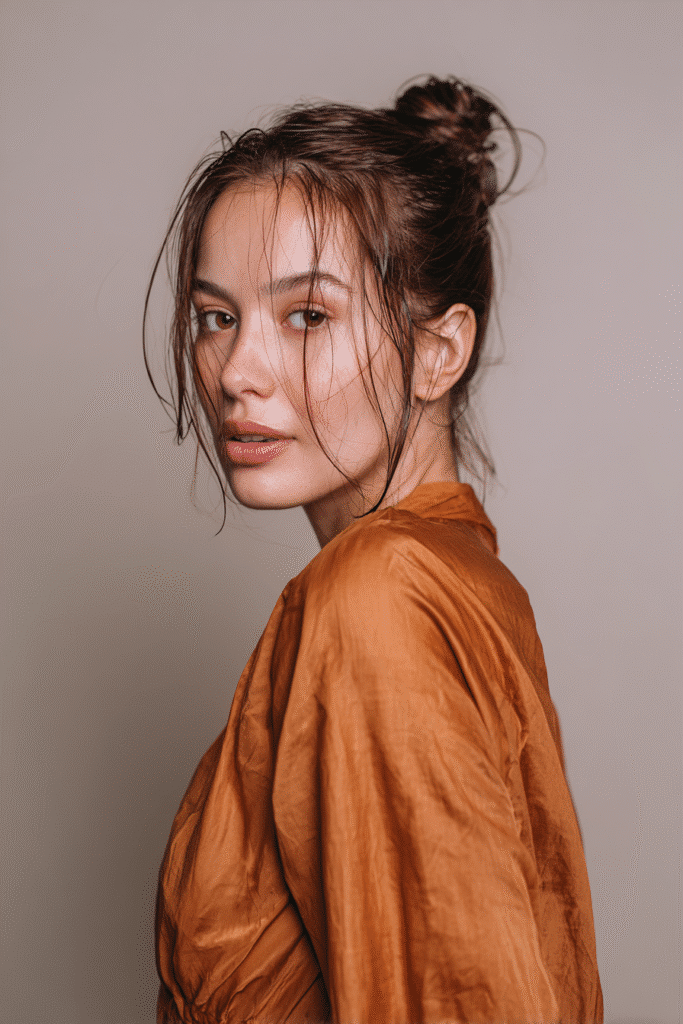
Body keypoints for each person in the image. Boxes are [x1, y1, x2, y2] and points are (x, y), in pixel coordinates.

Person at [145, 76, 603, 1024]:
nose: (236, 371)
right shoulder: (451, 579)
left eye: (306, 316)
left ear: (440, 352)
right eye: (215, 316)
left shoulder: (378, 597)